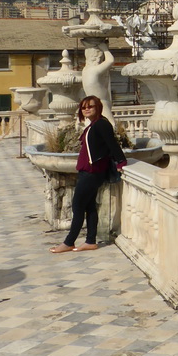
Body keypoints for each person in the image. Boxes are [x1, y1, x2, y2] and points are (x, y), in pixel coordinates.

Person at [50, 95, 127, 253]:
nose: (86, 109)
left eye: (90, 106)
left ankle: (69, 242)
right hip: (88, 171)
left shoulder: (101, 124)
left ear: (98, 107)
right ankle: (90, 241)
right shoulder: (95, 124)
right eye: (84, 107)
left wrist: (121, 162)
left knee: (77, 206)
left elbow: (112, 144)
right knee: (89, 206)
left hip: (93, 172)